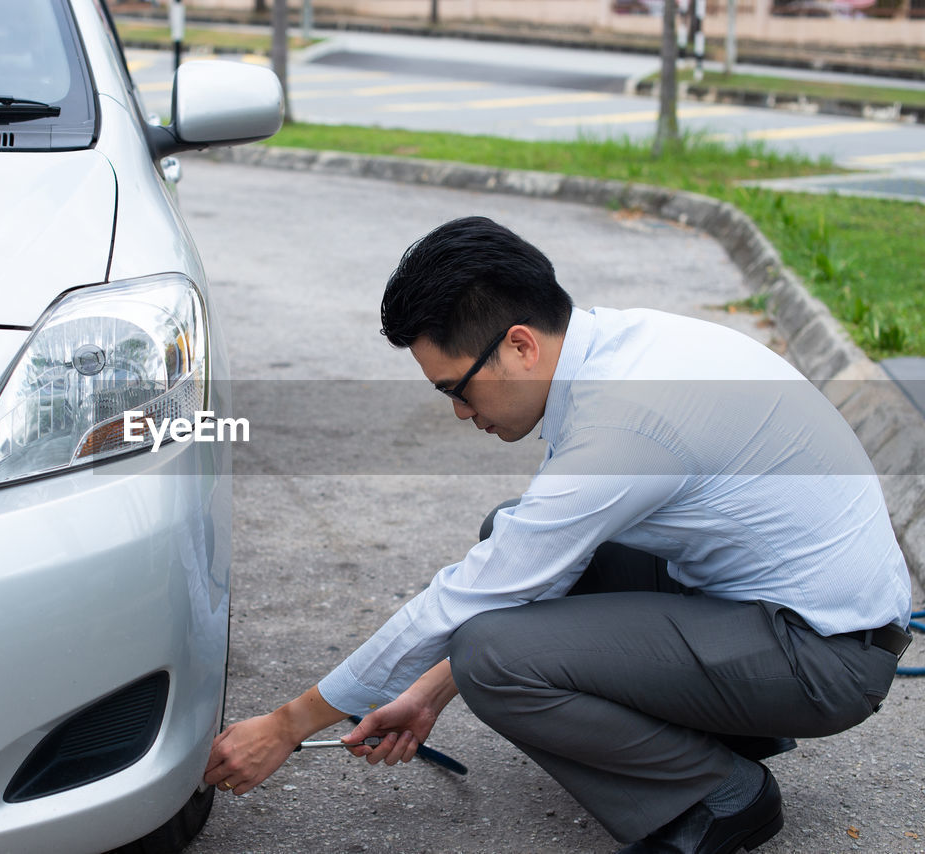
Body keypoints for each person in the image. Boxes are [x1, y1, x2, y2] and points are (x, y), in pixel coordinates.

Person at [203, 216, 913, 853]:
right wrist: (426, 693)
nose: (458, 413)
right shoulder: (615, 350)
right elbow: (531, 563)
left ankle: (717, 793)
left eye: (457, 388)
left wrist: (291, 723)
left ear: (519, 346)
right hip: (788, 615)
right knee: (509, 543)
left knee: (492, 652)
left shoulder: (625, 422)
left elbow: (473, 597)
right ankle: (713, 731)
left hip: (824, 659)